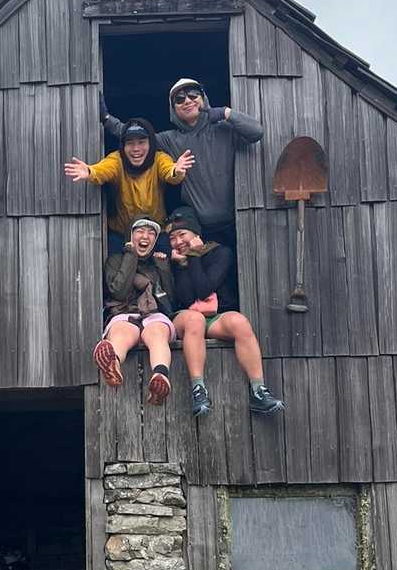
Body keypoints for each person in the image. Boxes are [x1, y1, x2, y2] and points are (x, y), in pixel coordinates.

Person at [101, 78, 263, 248]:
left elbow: (257, 132)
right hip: (196, 229)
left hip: (237, 222)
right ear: (173, 109)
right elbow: (136, 137)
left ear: (203, 98)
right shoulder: (170, 139)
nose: (187, 101)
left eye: (193, 95)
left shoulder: (224, 129)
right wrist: (106, 118)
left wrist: (226, 112)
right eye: (179, 99)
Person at [166, 206, 284, 418]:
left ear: (196, 234)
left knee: (239, 322)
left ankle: (258, 390)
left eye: (182, 234)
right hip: (186, 318)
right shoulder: (172, 260)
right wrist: (182, 265)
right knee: (194, 320)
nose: (178, 242)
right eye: (172, 238)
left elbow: (204, 289)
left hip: (214, 317)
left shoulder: (221, 253)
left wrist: (194, 257)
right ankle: (198, 389)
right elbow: (186, 297)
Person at [64, 118, 193, 251]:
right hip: (122, 233)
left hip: (155, 232)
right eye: (130, 143)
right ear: (123, 146)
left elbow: (169, 172)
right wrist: (90, 171)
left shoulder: (159, 158)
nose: (136, 149)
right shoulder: (117, 159)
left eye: (141, 142)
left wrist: (176, 171)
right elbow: (103, 169)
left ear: (151, 144)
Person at [92, 216, 175, 405]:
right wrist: (130, 255)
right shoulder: (115, 260)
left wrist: (163, 267)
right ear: (130, 236)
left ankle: (160, 376)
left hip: (153, 314)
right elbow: (119, 291)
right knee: (122, 332)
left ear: (155, 240)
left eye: (151, 233)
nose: (145, 236)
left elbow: (170, 299)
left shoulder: (156, 263)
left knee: (157, 334)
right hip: (124, 312)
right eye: (140, 231)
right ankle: (112, 363)